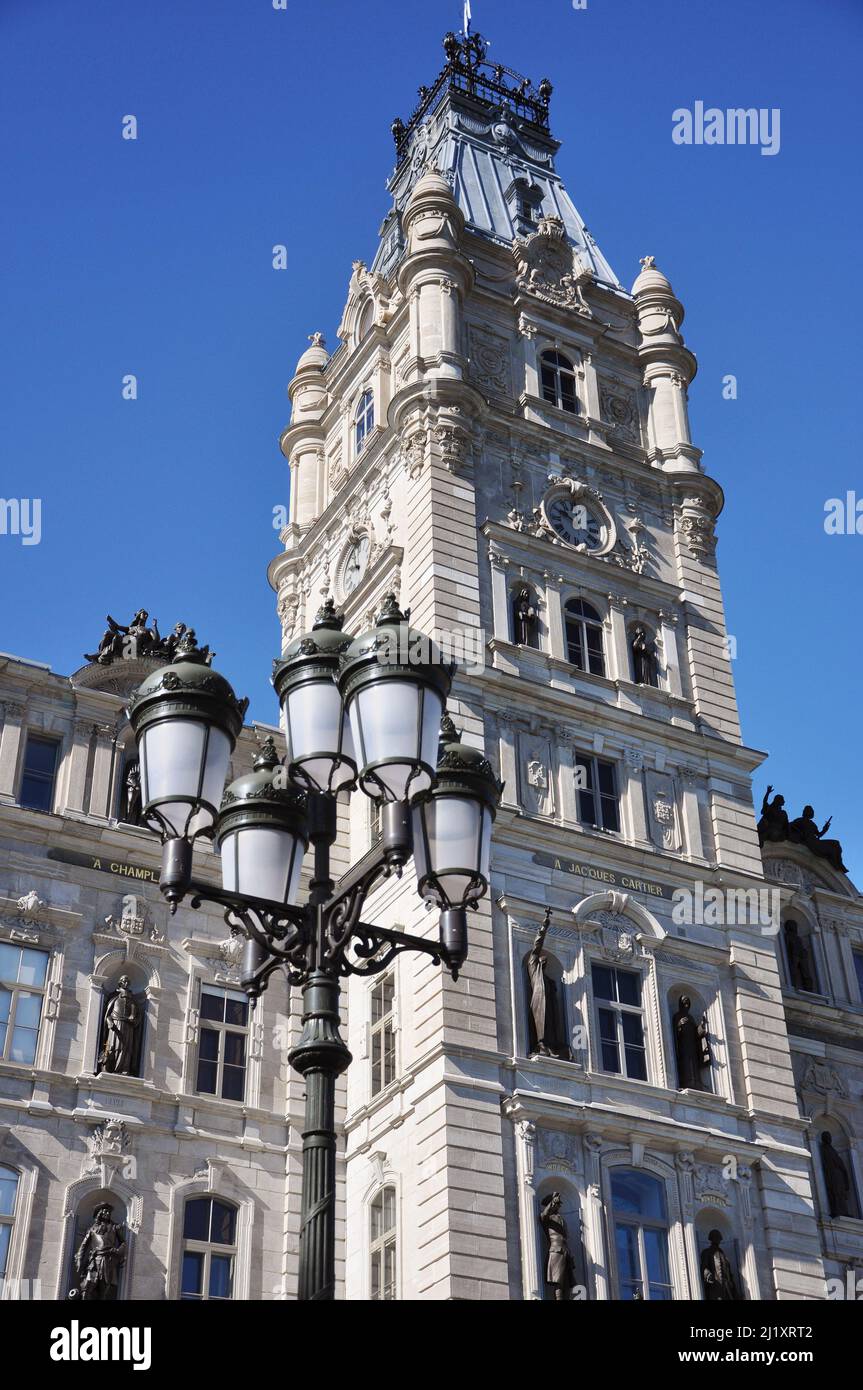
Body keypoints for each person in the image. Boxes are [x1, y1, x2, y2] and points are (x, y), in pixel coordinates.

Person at [75, 1204, 127, 1301]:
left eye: (109, 1212)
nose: (107, 1213)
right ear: (100, 1213)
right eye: (105, 1211)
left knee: (104, 1289)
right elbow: (84, 1245)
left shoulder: (115, 1227)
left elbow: (123, 1242)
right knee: (88, 1285)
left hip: (108, 1261)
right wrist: (79, 1259)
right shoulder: (92, 1229)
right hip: (94, 1262)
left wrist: (118, 1252)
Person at [98, 976, 141, 1075]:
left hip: (128, 1027)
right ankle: (109, 1067)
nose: (126, 983)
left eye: (128, 981)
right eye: (124, 981)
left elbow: (138, 1016)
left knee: (126, 1048)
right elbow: (107, 1014)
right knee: (113, 1046)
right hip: (115, 1025)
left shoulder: (133, 1001)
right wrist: (109, 1021)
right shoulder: (115, 997)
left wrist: (134, 1019)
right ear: (120, 983)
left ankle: (124, 1069)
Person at [539, 1192, 576, 1301]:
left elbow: (565, 1237)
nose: (558, 1205)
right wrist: (552, 1202)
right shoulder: (547, 1218)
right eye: (557, 1203)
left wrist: (570, 1253)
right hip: (556, 1250)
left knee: (567, 1281)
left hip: (565, 1251)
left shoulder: (562, 1219)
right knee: (558, 1280)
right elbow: (543, 1215)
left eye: (559, 1203)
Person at [700, 1229, 740, 1301]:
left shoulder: (722, 1253)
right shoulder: (706, 1252)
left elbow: (728, 1271)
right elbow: (704, 1267)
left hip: (726, 1286)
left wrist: (732, 1285)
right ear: (712, 1239)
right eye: (717, 1238)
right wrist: (708, 1275)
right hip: (715, 1285)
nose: (719, 1240)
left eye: (719, 1238)